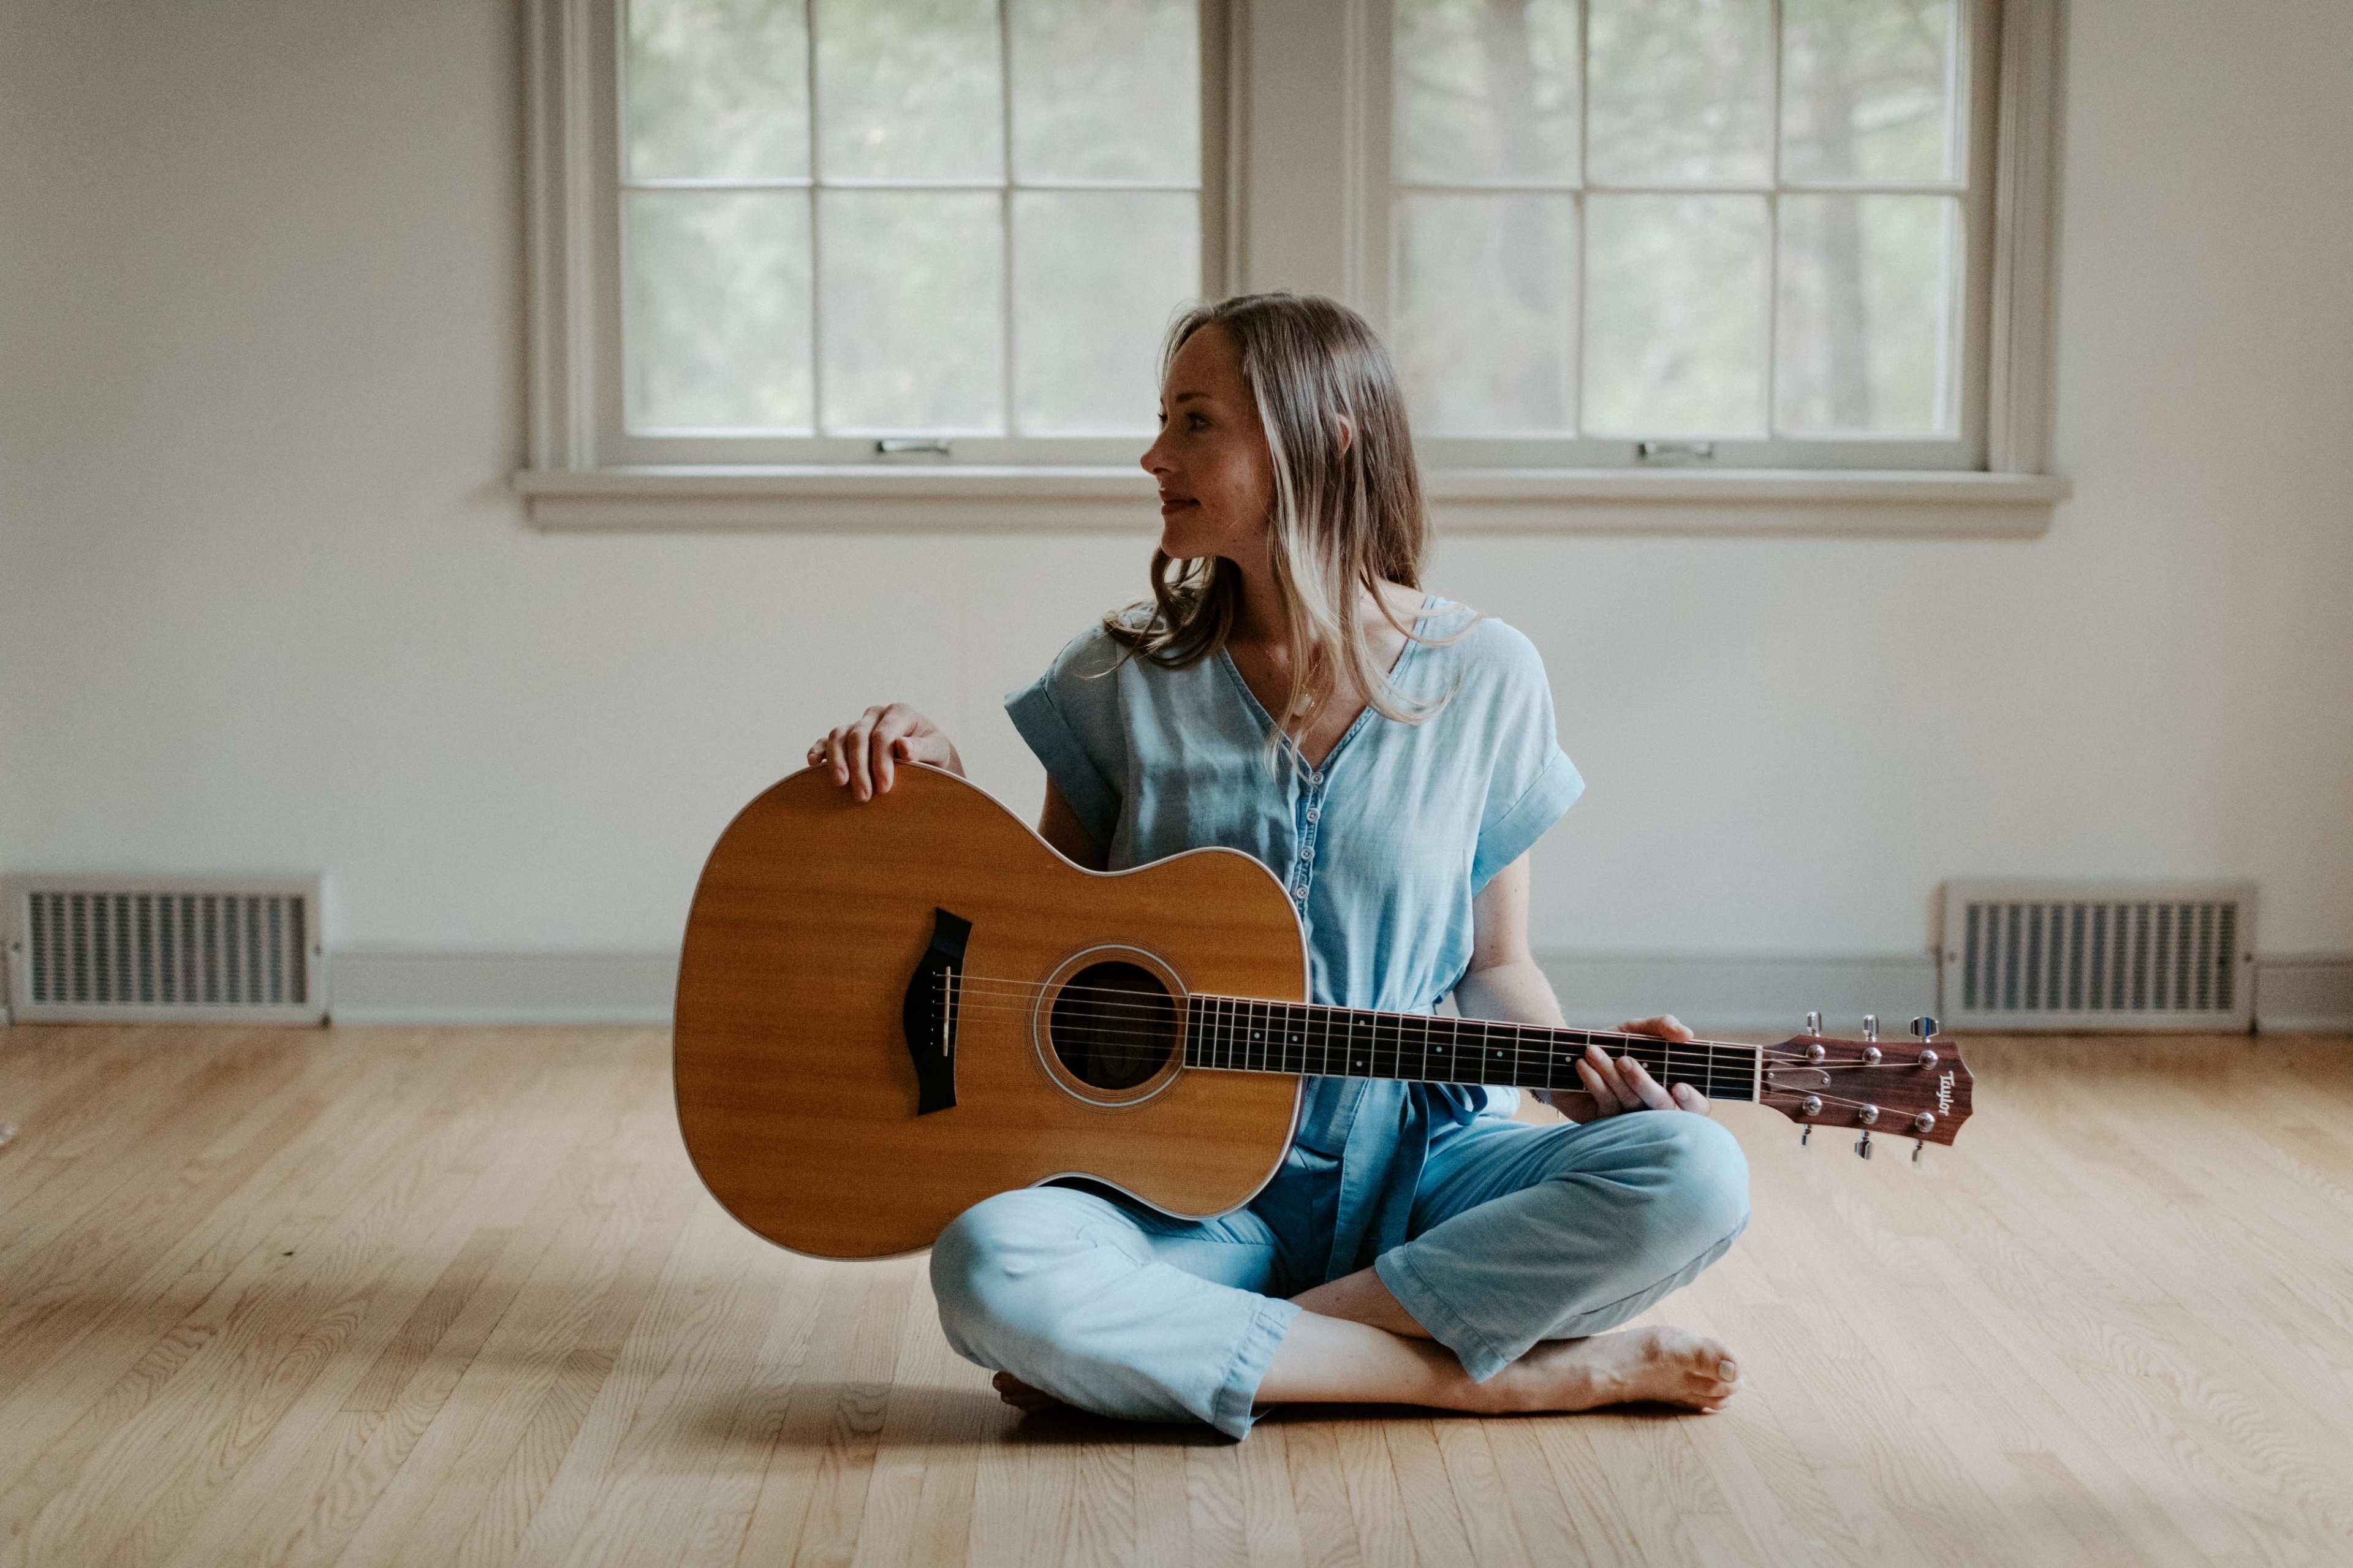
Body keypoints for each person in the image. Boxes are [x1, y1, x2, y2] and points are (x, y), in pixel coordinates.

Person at [804, 292, 1749, 1439]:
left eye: (1196, 422)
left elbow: (1497, 963)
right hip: (1173, 1194)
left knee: (1698, 1174)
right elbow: (1036, 939)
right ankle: (1499, 1373)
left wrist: (1566, 1075)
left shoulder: (1490, 676)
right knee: (988, 1266)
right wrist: (936, 790)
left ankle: (1259, 1342)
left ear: (1324, 436)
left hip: (1422, 1170)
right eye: (1164, 420)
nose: (1155, 456)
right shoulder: (1112, 679)